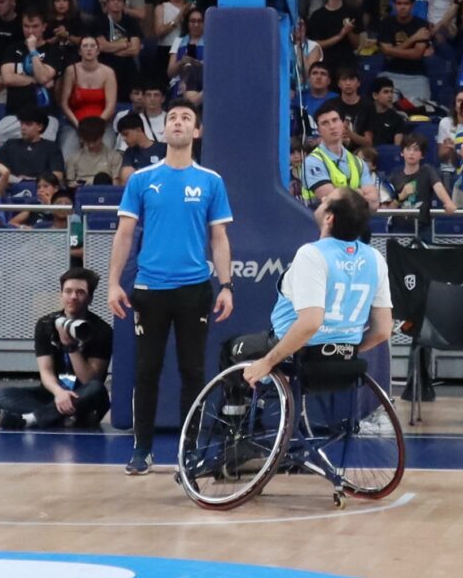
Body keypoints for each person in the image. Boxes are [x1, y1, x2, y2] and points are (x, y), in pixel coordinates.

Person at [102, 104, 235, 476]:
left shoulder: (211, 181)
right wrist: (113, 283)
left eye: (186, 118)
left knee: (193, 372)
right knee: (146, 371)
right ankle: (142, 450)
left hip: (194, 289)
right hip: (150, 289)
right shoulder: (142, 179)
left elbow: (219, 238)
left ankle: (188, 453)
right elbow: (124, 234)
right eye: (173, 117)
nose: (178, 122)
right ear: (164, 131)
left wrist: (226, 285)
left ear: (197, 132)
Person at [235, 187, 393, 384]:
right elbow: (382, 330)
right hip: (345, 356)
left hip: (299, 352)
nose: (323, 198)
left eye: (327, 199)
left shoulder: (312, 254)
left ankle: (243, 402)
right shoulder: (375, 258)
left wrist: (267, 362)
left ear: (329, 218)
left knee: (232, 350)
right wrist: (345, 351)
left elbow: (310, 323)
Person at [0, 266, 114, 429]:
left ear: (90, 298)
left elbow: (89, 380)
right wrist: (59, 393)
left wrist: (70, 346)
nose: (73, 297)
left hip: (84, 397)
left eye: (80, 292)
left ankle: (32, 419)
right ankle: (60, 418)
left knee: (96, 389)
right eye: (68, 291)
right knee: (2, 395)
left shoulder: (102, 330)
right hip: (53, 395)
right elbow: (46, 371)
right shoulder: (46, 324)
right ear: (61, 294)